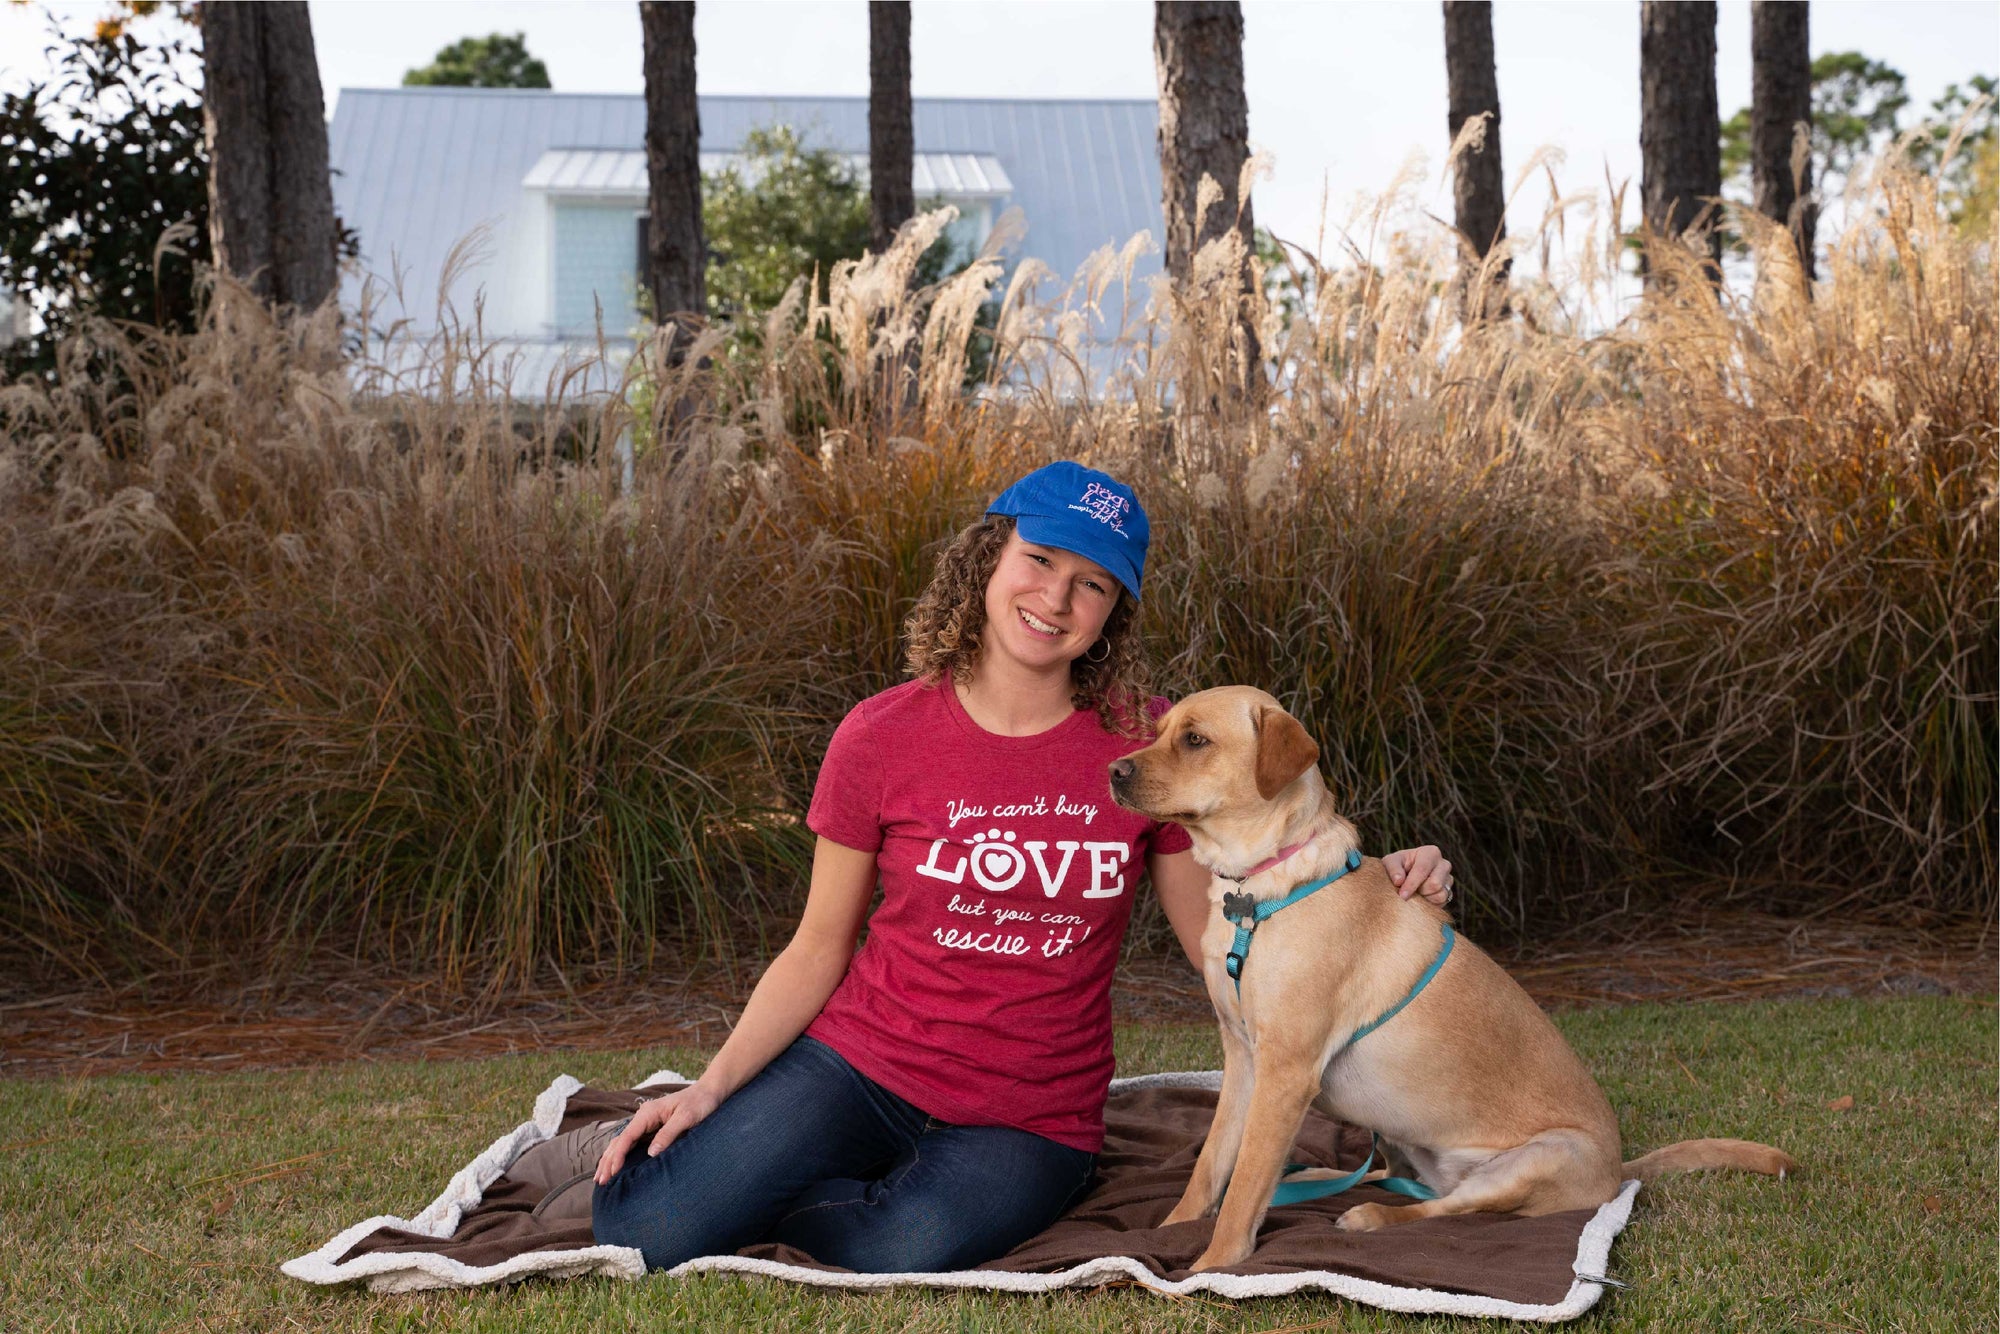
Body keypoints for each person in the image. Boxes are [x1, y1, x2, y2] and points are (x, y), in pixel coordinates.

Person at [588, 462, 1455, 1273]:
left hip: (1028, 1113)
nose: (1056, 597)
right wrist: (711, 1091)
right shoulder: (881, 734)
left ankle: (818, 1201)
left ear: (1113, 610)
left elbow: (1222, 937)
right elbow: (818, 947)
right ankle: (777, 1172)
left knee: (901, 1247)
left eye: (1093, 584)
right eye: (1038, 559)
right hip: (858, 1065)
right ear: (986, 561)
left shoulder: (1153, 752)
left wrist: (1374, 891)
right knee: (644, 1227)